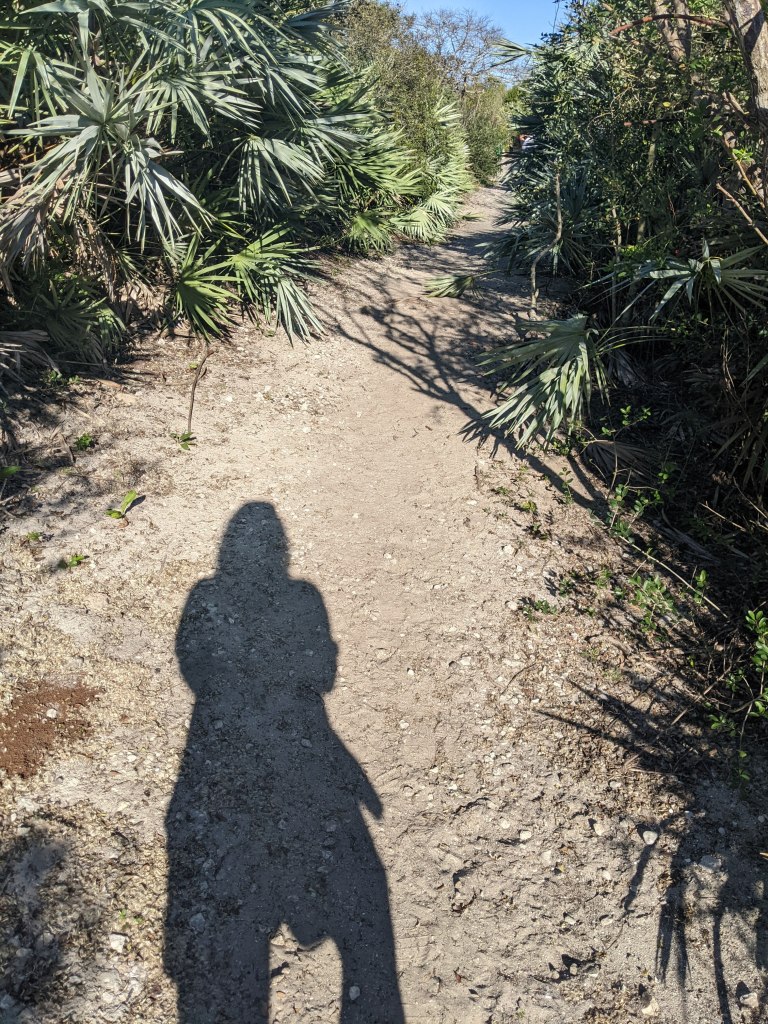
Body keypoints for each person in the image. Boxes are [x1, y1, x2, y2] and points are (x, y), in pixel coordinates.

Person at [164, 502, 404, 1023]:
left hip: (217, 746)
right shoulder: (303, 597)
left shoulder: (206, 595)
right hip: (297, 738)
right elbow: (324, 675)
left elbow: (193, 664)